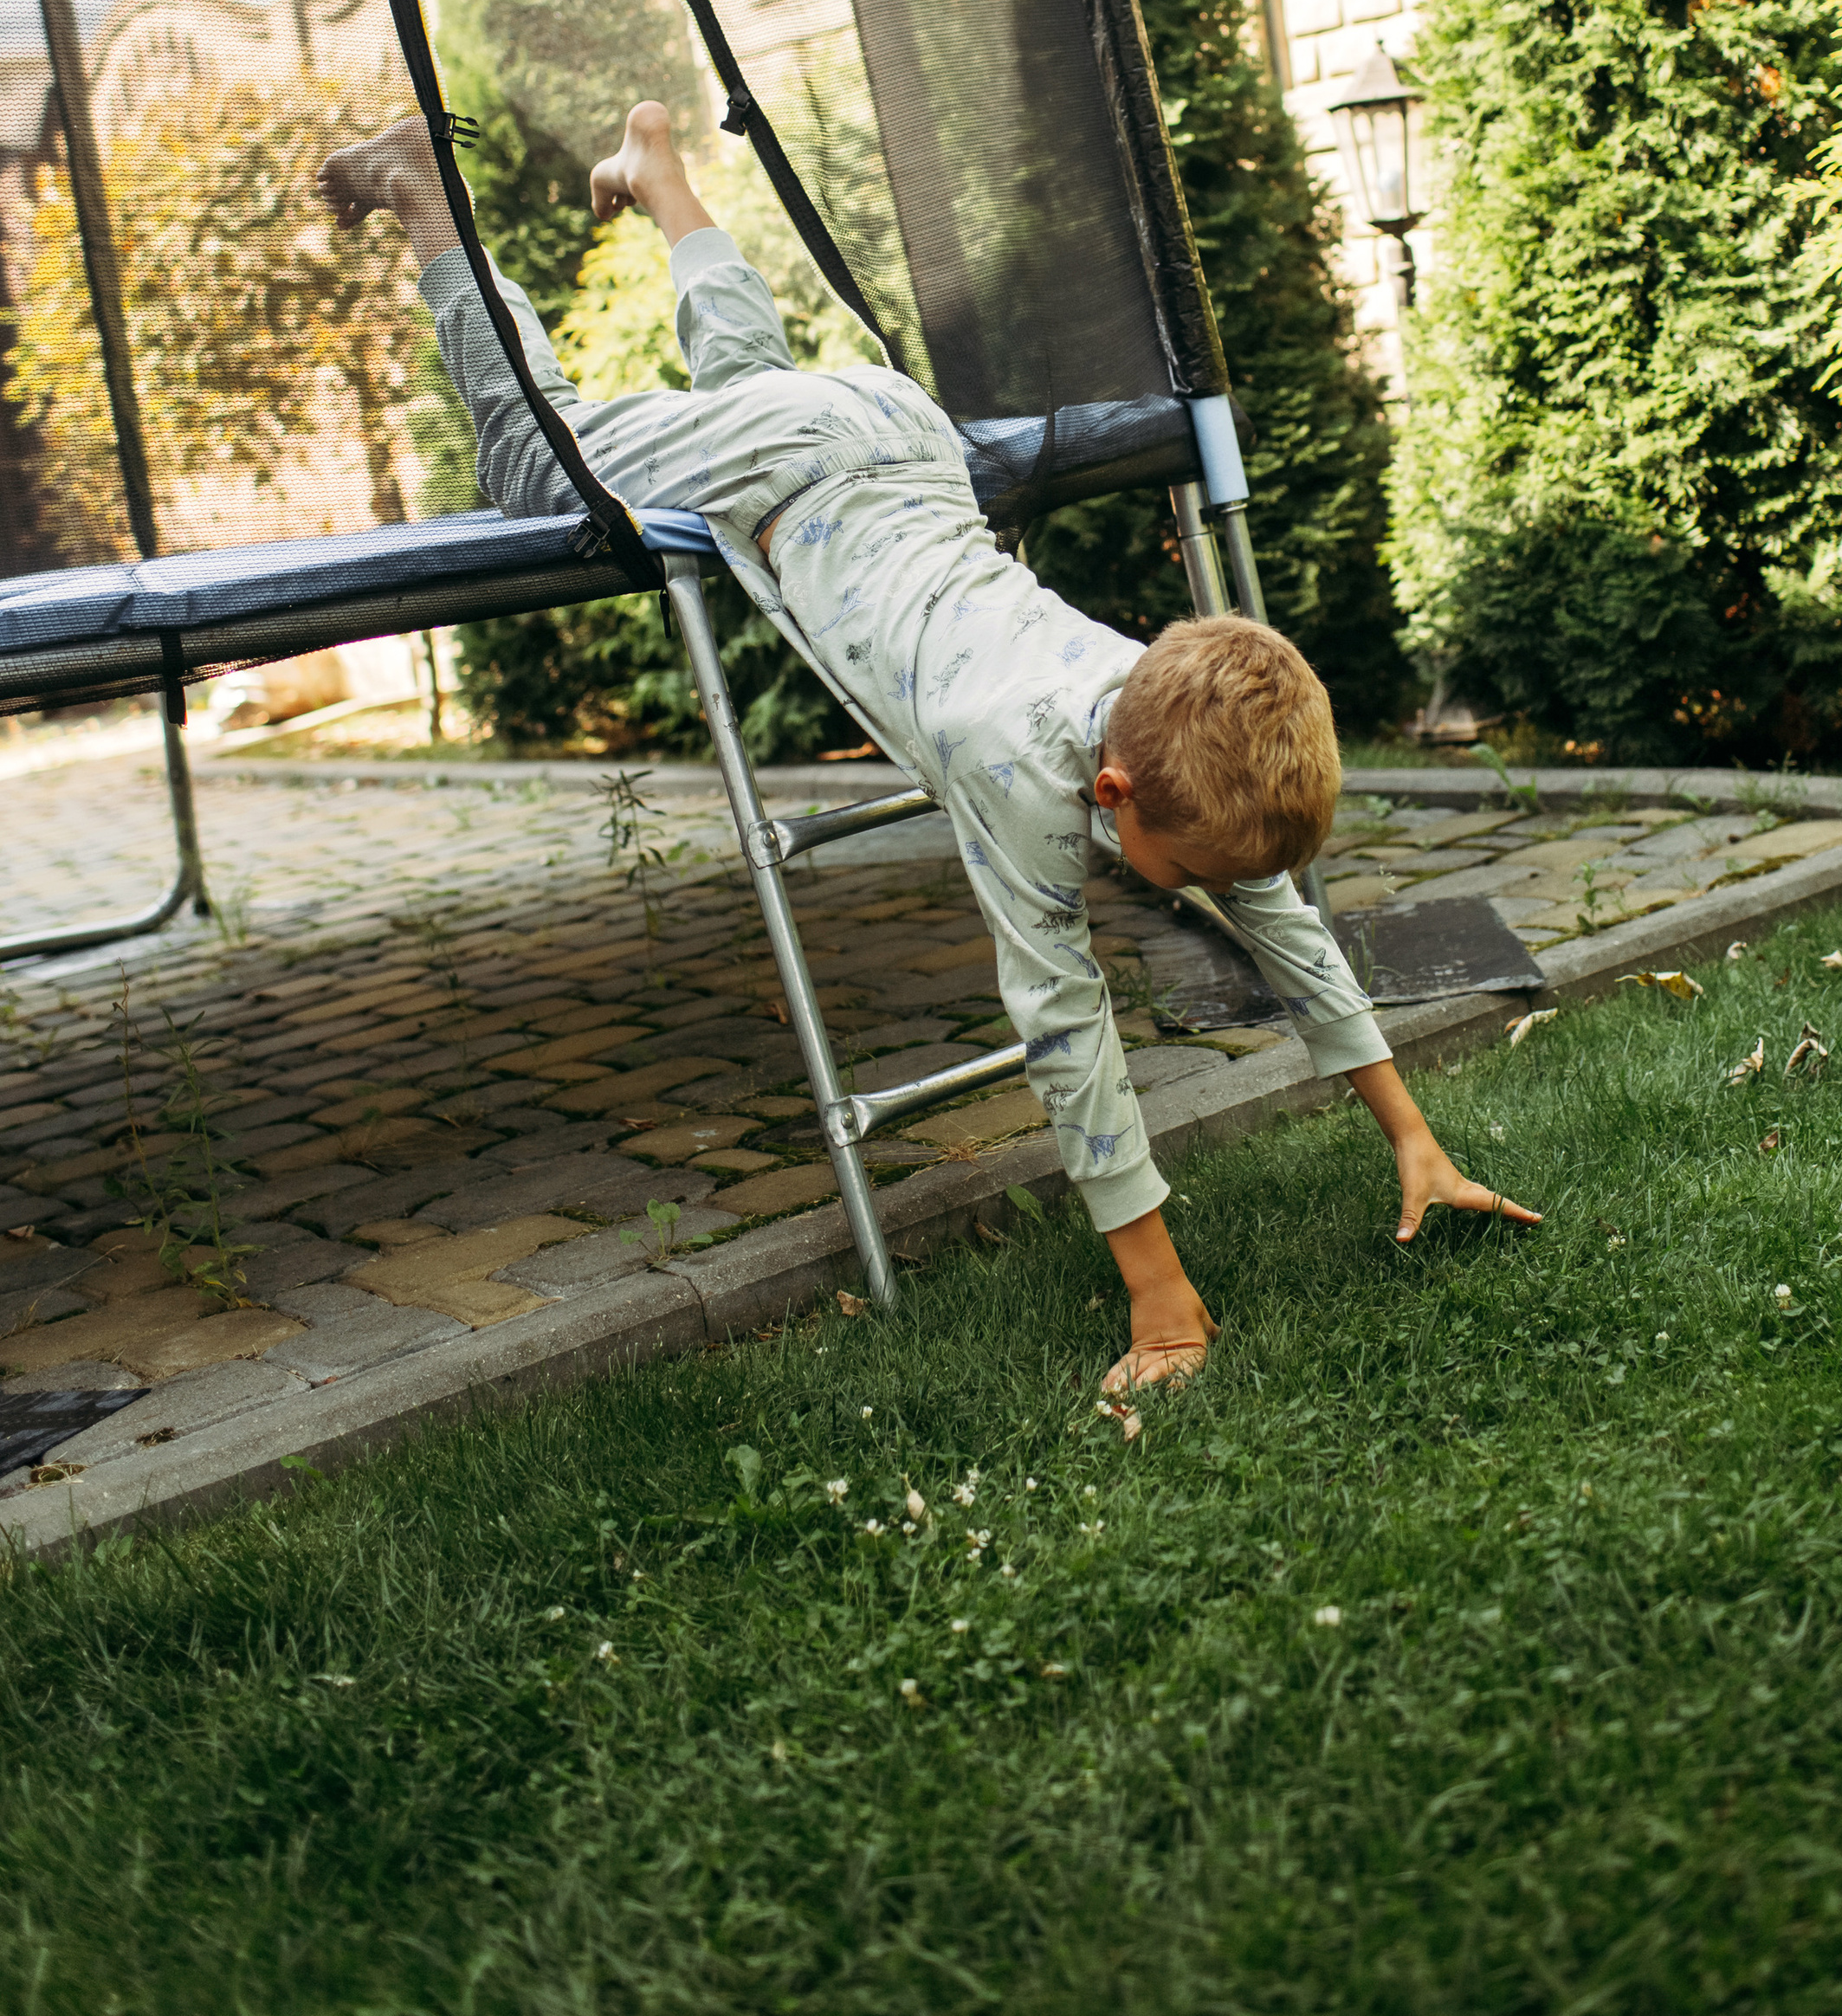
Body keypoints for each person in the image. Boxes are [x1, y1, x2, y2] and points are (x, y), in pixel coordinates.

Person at [318, 100, 1541, 1396]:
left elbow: (1282, 917)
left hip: (893, 439)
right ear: (1111, 793)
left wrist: (1410, 1135)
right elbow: (1066, 1031)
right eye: (1181, 875)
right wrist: (1163, 1307)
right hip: (825, 459)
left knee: (747, 387)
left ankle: (663, 180)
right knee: (532, 460)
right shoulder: (1016, 765)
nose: (1192, 896)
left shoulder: (1157, 694)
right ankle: (423, 193)